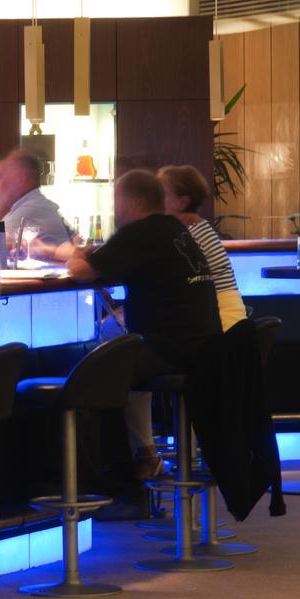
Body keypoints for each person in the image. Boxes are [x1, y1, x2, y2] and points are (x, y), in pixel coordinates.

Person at [67, 170, 221, 480]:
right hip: (207, 346)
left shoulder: (138, 233)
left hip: (171, 348)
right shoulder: (174, 230)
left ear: (132, 201)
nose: (114, 207)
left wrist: (74, 254)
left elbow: (81, 271)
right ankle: (144, 456)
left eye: (116, 199)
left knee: (99, 368)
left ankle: (119, 482)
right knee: (118, 356)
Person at [158, 164, 246, 332]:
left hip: (220, 325)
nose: (156, 200)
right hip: (231, 322)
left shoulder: (187, 235)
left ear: (182, 202)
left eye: (162, 194)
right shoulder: (199, 226)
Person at [0, 148, 76, 261]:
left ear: (21, 178)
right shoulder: (34, 204)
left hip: (51, 278)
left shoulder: (32, 208)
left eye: (3, 174)